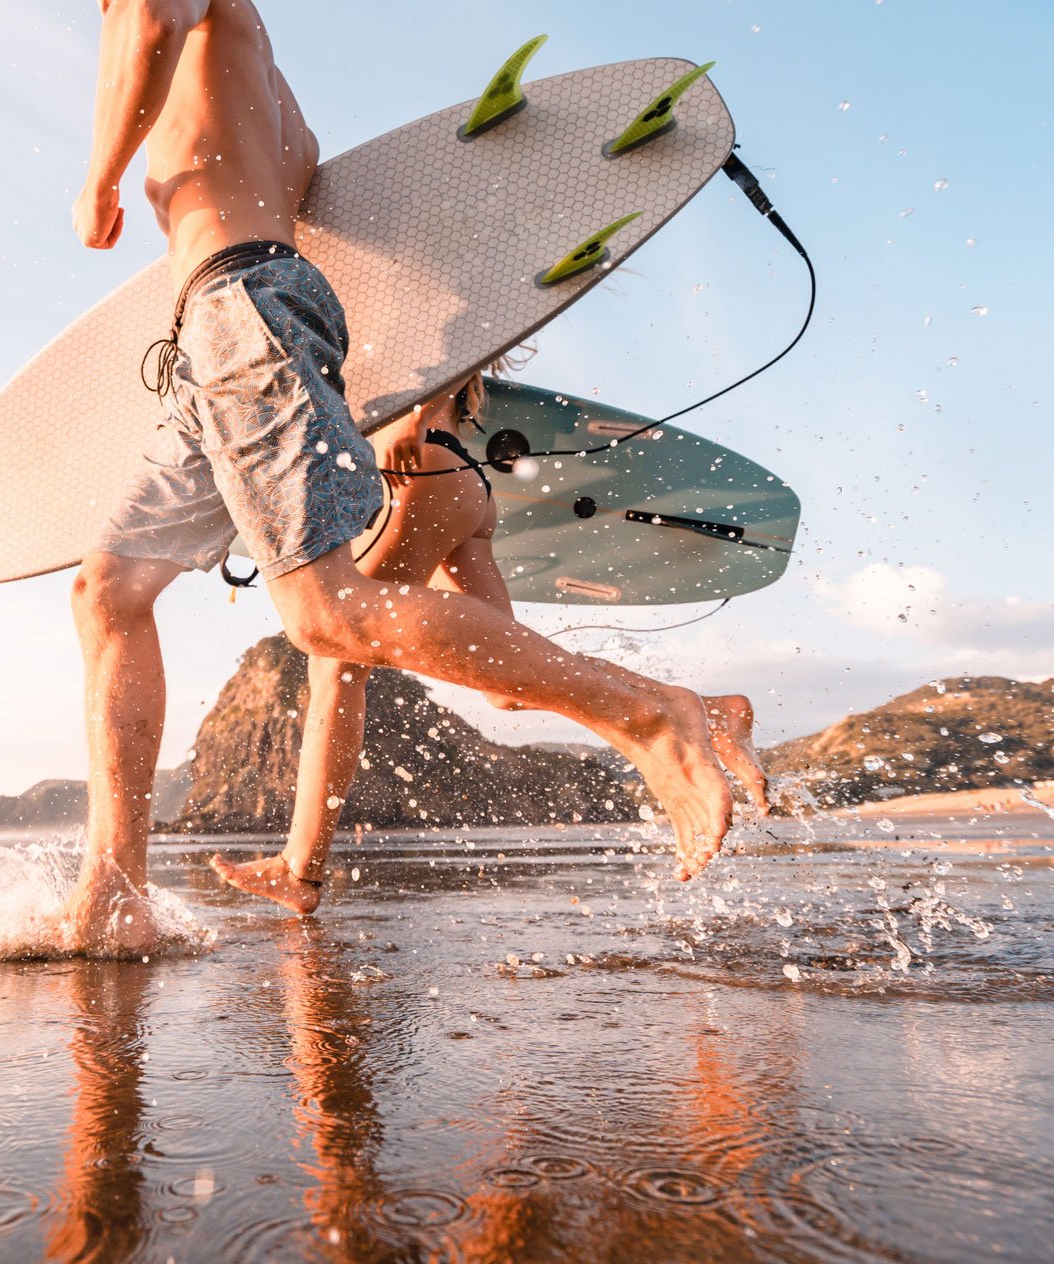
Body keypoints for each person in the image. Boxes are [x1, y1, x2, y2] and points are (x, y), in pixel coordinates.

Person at [63, 0, 734, 957]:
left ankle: (650, 714)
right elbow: (296, 185)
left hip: (240, 307)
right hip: (215, 329)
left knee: (326, 616)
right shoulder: (265, 84)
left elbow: (155, 19)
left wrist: (101, 177)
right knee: (107, 590)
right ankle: (114, 891)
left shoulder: (187, 31)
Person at [210, 363, 772, 915]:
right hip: (461, 483)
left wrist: (415, 414)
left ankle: (300, 867)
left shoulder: (370, 291)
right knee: (507, 680)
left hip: (416, 467)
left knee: (335, 656)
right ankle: (707, 711)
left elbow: (450, 337)